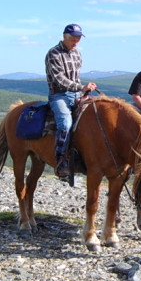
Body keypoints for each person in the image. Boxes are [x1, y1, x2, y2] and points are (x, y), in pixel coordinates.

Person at [45, 23, 97, 179]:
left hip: (76, 94)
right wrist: (81, 87)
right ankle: (61, 161)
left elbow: (76, 77)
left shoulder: (77, 54)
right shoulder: (53, 54)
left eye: (78, 38)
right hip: (59, 95)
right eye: (73, 38)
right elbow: (59, 80)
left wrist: (86, 89)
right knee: (66, 123)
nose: (76, 42)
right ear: (64, 37)